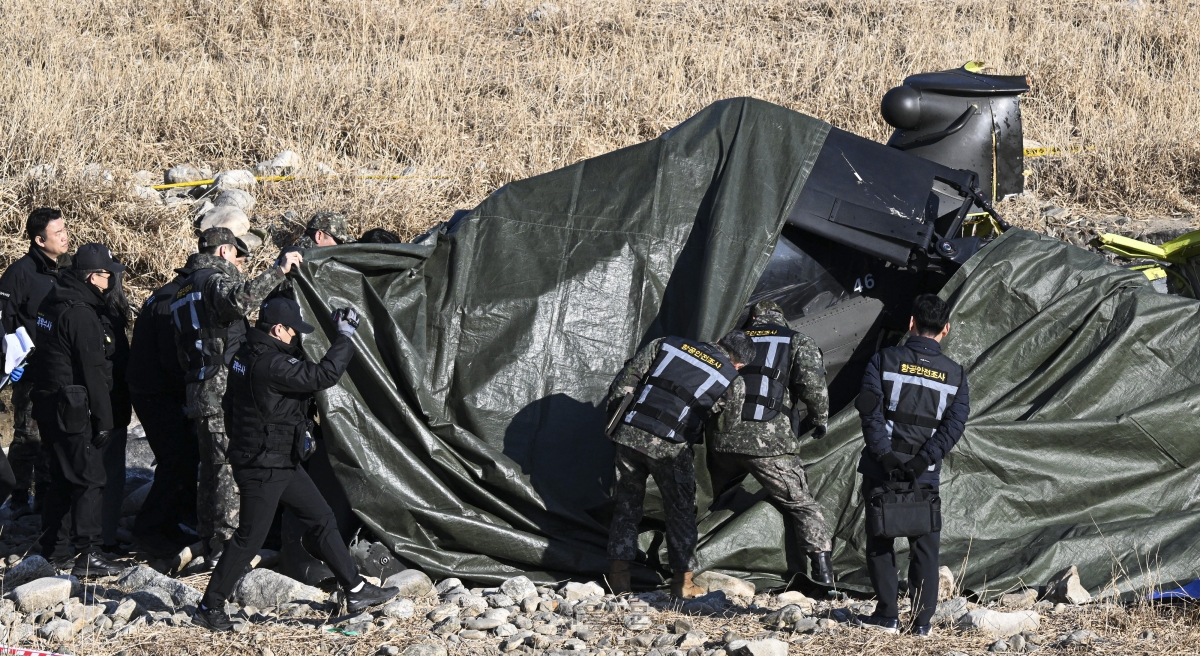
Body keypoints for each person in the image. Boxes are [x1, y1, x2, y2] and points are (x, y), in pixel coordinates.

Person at [194, 298, 398, 630]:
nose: (295, 338)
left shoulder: (244, 356)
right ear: (277, 329)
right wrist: (345, 336)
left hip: (276, 462)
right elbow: (324, 374)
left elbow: (230, 407)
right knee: (249, 539)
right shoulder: (270, 365)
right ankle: (209, 606)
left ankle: (356, 589)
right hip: (264, 467)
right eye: (292, 332)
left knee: (321, 518)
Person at [172, 228, 301, 567]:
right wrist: (279, 271)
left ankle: (209, 538)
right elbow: (238, 300)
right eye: (239, 258)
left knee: (210, 469)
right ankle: (227, 547)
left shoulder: (182, 289)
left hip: (199, 385)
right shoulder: (212, 280)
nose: (241, 267)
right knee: (226, 468)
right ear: (225, 252)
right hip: (219, 388)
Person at [605, 331, 756, 599]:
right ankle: (683, 584)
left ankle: (618, 580)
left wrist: (616, 421)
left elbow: (625, 381)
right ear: (739, 364)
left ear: (720, 341)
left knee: (626, 506)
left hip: (629, 433)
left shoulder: (666, 343)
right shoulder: (733, 379)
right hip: (669, 446)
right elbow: (725, 428)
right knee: (681, 512)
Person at [855, 294, 969, 636]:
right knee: (925, 548)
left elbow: (870, 413)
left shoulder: (883, 361)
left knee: (880, 541)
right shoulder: (956, 375)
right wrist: (922, 461)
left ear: (911, 324)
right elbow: (953, 426)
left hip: (882, 469)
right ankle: (921, 624)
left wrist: (886, 456)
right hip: (925, 475)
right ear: (946, 329)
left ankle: (887, 616)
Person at [708, 300, 834, 583]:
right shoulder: (796, 340)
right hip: (769, 442)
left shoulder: (731, 340)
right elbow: (813, 385)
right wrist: (820, 418)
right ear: (781, 318)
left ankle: (691, 565)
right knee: (803, 505)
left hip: (721, 437)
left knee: (709, 499)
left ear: (752, 317)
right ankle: (822, 574)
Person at [27, 244, 127, 577]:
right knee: (89, 479)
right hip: (73, 407)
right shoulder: (81, 314)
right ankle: (89, 552)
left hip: (46, 401)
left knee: (61, 476)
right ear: (92, 276)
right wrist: (104, 421)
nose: (111, 281)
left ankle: (53, 551)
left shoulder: (52, 301)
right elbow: (93, 373)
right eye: (107, 275)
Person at [0, 207, 70, 518]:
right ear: (40, 240)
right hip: (28, 368)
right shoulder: (19, 274)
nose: (65, 236)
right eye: (58, 233)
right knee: (28, 434)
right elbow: (3, 320)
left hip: (62, 367)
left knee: (54, 433)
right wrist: (9, 361)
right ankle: (16, 497)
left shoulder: (70, 268)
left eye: (64, 229)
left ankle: (45, 496)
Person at [128, 266, 197, 555]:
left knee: (180, 460)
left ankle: (167, 522)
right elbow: (172, 360)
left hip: (151, 391)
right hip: (158, 394)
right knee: (175, 461)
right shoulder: (173, 302)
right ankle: (150, 528)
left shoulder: (165, 295)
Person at [99, 270, 132, 556]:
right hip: (113, 404)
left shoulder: (104, 314)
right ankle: (104, 538)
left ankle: (102, 533)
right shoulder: (114, 315)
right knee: (111, 475)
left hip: (110, 403)